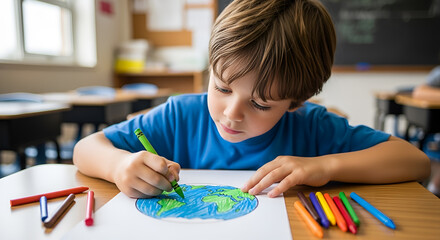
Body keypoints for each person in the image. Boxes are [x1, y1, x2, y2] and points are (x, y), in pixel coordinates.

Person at [73, 0, 430, 199]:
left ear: (295, 101)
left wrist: (326, 167)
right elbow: (86, 148)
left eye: (260, 104)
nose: (231, 113)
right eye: (223, 87)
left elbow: (416, 162)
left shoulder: (311, 127)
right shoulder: (180, 116)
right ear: (209, 70)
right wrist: (118, 166)